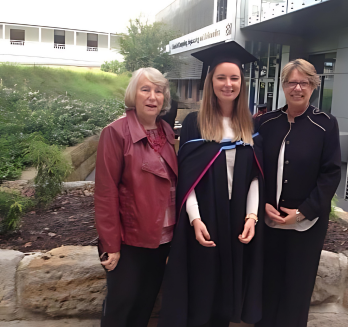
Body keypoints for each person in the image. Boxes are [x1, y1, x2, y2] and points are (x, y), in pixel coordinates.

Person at [158, 42, 265, 327]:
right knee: (203, 285)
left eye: (234, 78)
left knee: (229, 289)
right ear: (211, 81)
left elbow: (256, 175)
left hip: (238, 217)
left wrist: (252, 217)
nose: (228, 84)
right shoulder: (195, 123)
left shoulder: (252, 126)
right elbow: (187, 176)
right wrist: (194, 219)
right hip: (206, 216)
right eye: (221, 77)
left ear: (242, 83)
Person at [254, 59, 342, 327]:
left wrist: (303, 212)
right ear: (283, 86)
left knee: (297, 290)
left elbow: (331, 174)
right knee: (267, 287)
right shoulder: (266, 123)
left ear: (313, 86)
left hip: (307, 223)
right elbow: (256, 168)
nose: (297, 88)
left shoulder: (326, 124)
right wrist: (263, 203)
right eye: (291, 82)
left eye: (304, 82)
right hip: (269, 219)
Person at [94, 67, 178, 327]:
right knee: (121, 307)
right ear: (134, 94)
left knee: (145, 305)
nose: (153, 96)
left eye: (159, 90)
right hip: (130, 240)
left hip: (163, 239)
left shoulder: (166, 131)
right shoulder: (116, 132)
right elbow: (105, 192)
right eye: (145, 89)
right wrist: (111, 245)